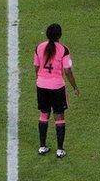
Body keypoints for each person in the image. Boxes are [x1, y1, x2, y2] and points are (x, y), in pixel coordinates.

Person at [34, 24, 79, 158]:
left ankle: (42, 146)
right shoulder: (63, 50)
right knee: (59, 116)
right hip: (57, 87)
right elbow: (68, 70)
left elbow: (36, 66)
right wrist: (75, 87)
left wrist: (41, 78)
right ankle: (60, 149)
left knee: (44, 114)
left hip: (41, 85)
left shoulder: (39, 47)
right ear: (59, 35)